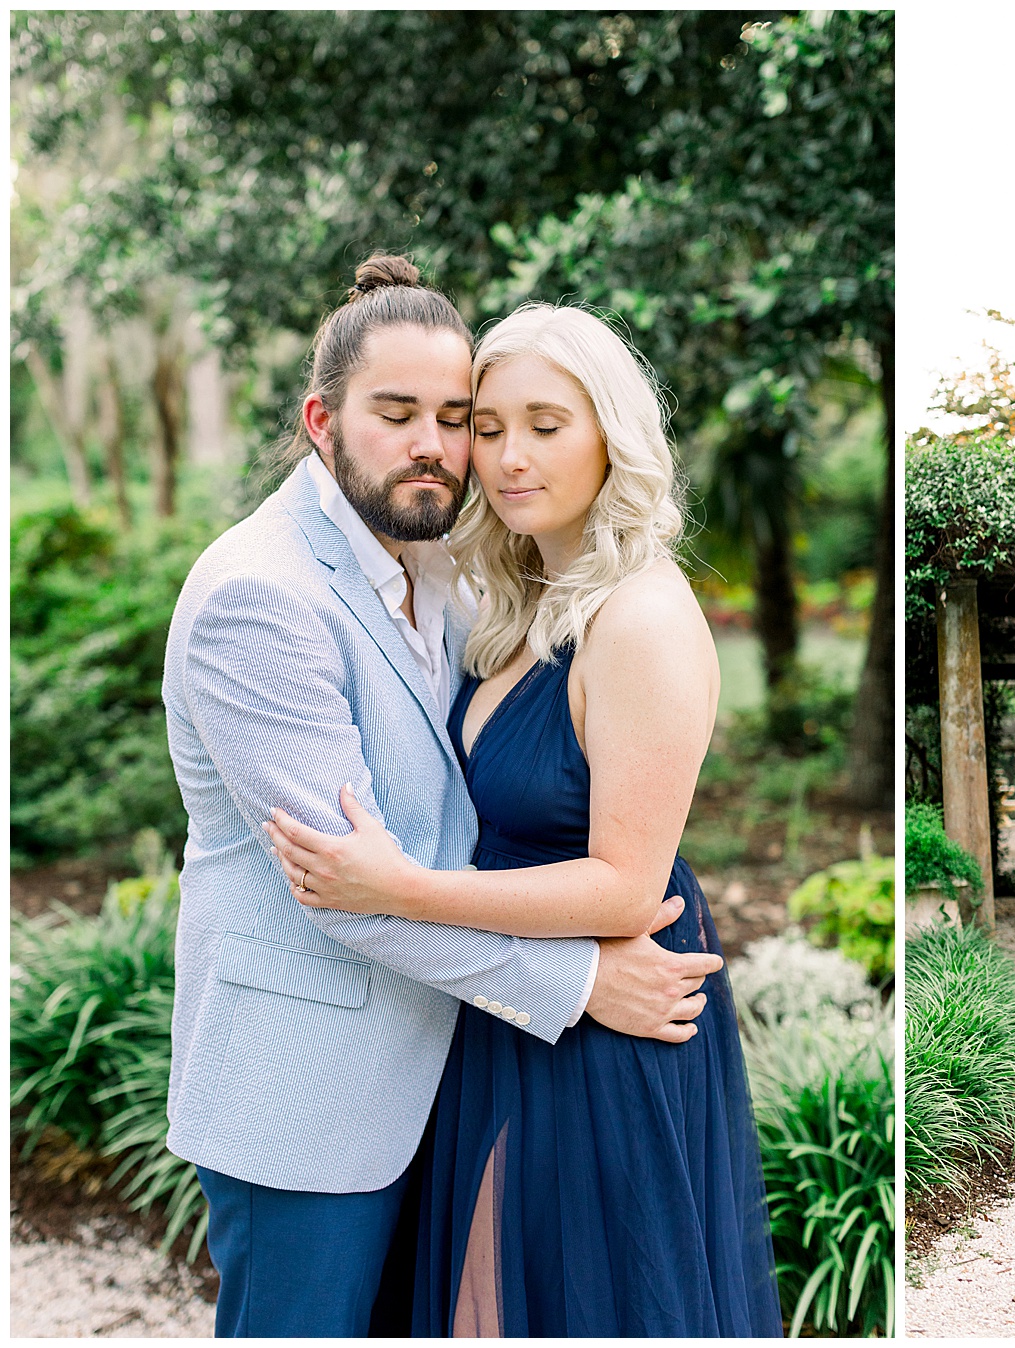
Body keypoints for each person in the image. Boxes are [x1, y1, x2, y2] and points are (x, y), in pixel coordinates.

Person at [163, 256, 724, 1338]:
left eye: (455, 415)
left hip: (460, 1067)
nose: (443, 444)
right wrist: (577, 982)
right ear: (323, 420)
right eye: (398, 412)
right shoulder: (258, 597)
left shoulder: (453, 578)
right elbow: (349, 886)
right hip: (316, 1094)